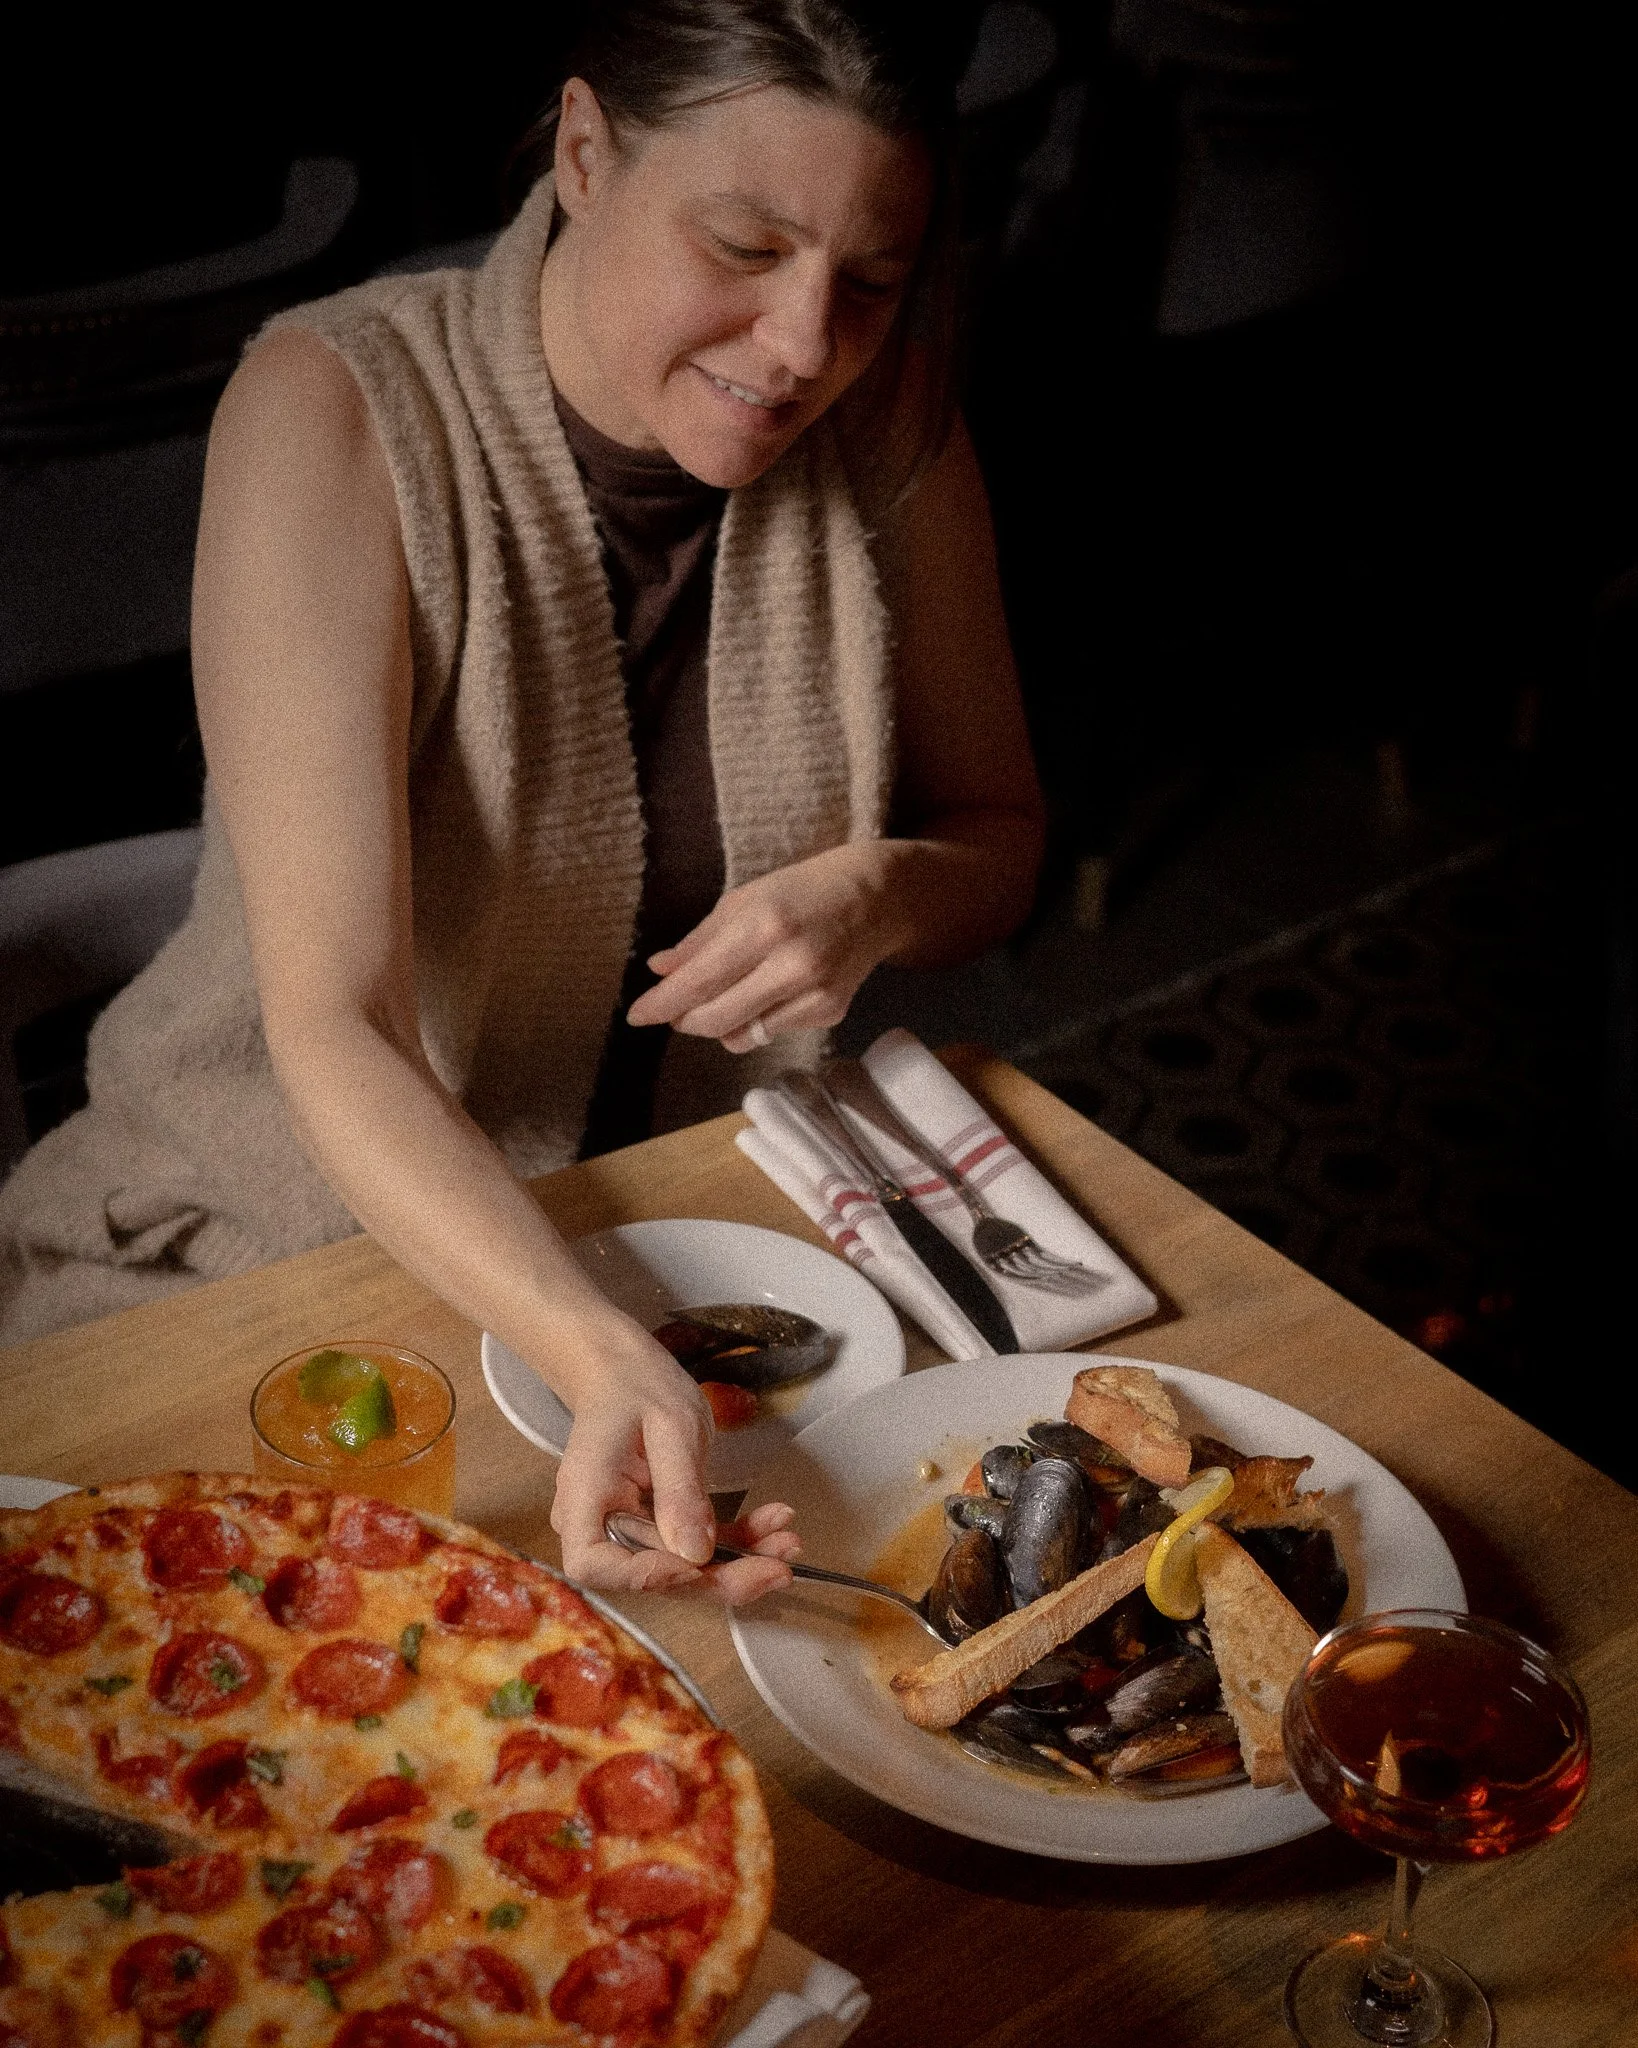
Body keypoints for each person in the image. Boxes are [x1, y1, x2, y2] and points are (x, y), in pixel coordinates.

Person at [0, 1, 1044, 1602]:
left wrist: (879, 892)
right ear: (581, 152)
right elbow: (338, 1021)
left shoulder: (891, 417)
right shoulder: (333, 407)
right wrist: (595, 1349)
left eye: (870, 280)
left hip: (679, 1244)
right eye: (744, 247)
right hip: (271, 1247)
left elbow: (998, 845)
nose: (800, 344)